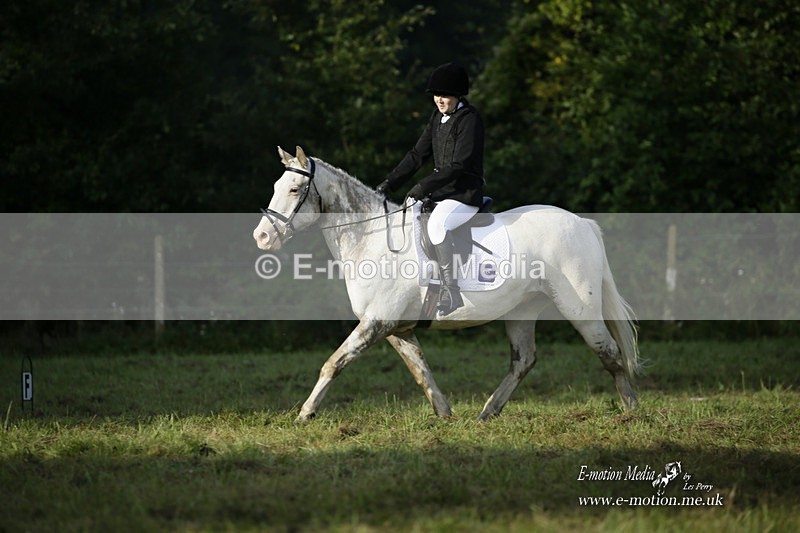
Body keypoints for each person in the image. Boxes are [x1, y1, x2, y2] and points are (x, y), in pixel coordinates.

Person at [376, 62, 485, 316]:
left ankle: (451, 291)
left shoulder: (470, 120)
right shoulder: (437, 118)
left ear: (458, 95)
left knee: (437, 225)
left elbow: (459, 165)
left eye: (445, 95)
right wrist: (389, 183)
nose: (439, 99)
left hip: (464, 193)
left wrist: (422, 186)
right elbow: (417, 155)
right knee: (409, 214)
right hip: (443, 191)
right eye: (436, 95)